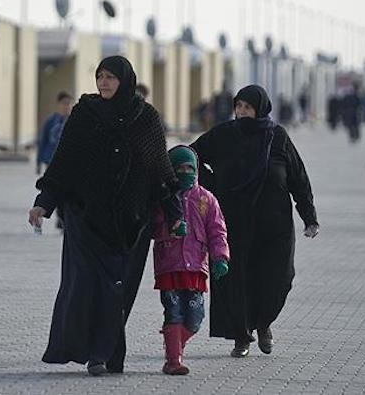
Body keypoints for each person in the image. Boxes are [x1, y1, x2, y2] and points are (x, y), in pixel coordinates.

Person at [27, 56, 186, 376]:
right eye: (100, 76)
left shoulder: (147, 119)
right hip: (85, 217)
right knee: (88, 287)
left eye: (111, 77)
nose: (103, 83)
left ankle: (108, 354)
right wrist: (44, 202)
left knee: (119, 291)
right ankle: (97, 355)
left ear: (124, 80)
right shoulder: (85, 114)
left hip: (132, 222)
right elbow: (64, 162)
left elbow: (160, 172)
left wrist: (175, 215)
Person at [190, 85, 319, 358]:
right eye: (239, 107)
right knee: (236, 280)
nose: (242, 112)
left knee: (279, 278)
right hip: (234, 222)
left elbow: (298, 177)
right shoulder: (224, 135)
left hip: (275, 226)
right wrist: (213, 185)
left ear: (260, 108)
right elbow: (189, 156)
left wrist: (309, 216)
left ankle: (264, 323)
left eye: (248, 107)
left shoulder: (277, 137)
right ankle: (241, 336)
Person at [152, 145, 230, 375]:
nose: (185, 172)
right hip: (169, 266)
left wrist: (220, 257)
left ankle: (175, 343)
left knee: (195, 318)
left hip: (196, 267)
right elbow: (152, 227)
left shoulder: (206, 199)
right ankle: (173, 360)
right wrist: (169, 229)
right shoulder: (163, 198)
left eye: (190, 168)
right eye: (180, 168)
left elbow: (217, 231)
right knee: (174, 312)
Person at [36, 91, 73, 175]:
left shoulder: (74, 122)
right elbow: (43, 141)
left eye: (69, 103)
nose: (67, 106)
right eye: (65, 103)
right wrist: (38, 162)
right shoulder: (51, 121)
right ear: (59, 104)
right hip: (51, 159)